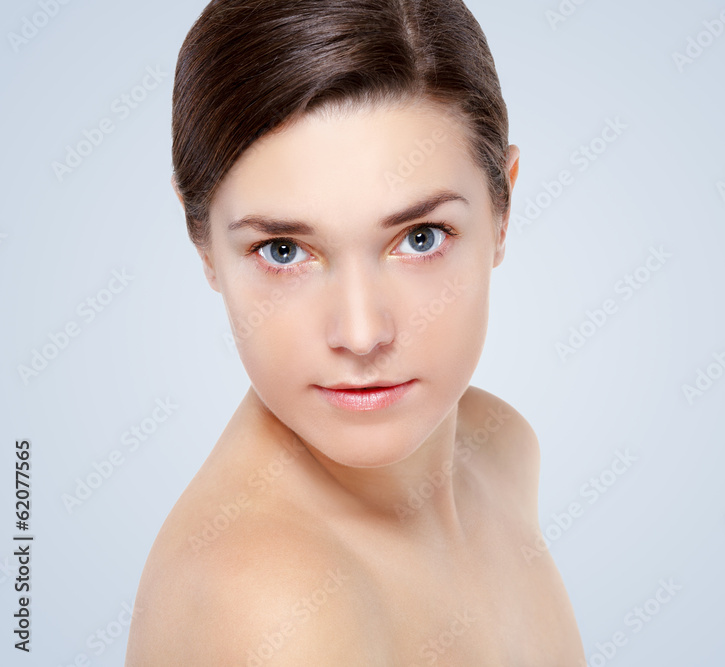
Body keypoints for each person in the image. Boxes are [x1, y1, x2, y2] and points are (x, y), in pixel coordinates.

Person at [125, 0, 586, 663]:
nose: (363, 334)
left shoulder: (502, 448)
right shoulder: (268, 602)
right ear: (204, 246)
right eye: (283, 250)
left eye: (421, 237)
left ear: (502, 211)